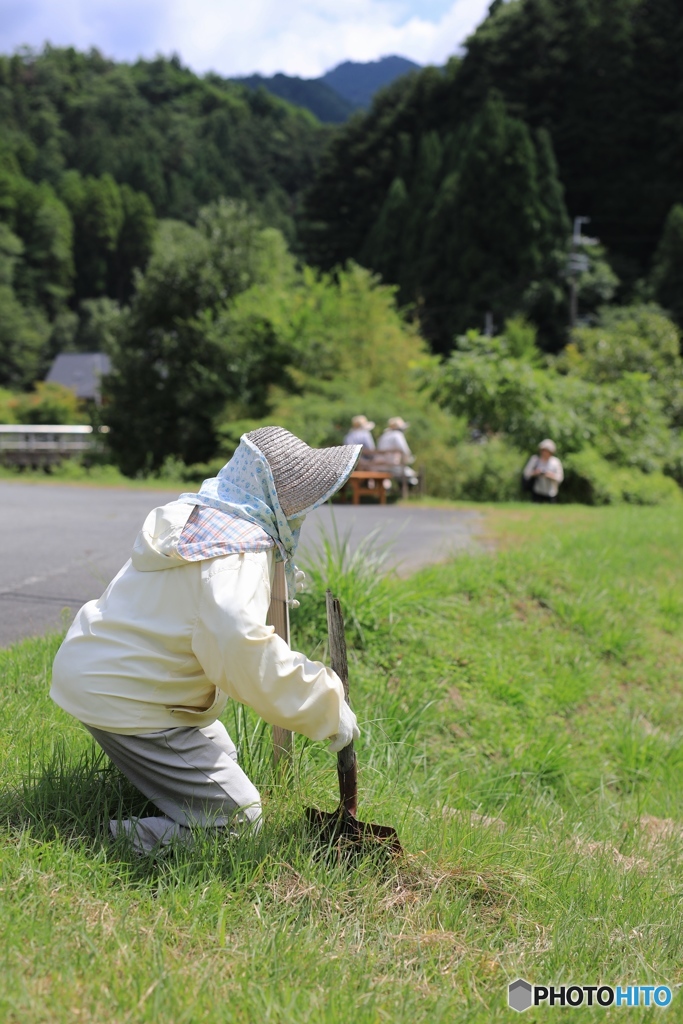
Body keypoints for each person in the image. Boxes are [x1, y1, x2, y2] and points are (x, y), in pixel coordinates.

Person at [50, 427, 362, 855]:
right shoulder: (236, 551)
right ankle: (106, 840)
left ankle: (174, 805)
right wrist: (326, 704)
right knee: (240, 820)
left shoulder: (198, 519)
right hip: (130, 696)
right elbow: (239, 645)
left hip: (104, 670)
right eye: (302, 503)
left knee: (223, 755)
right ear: (281, 501)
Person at [377, 416, 418, 487]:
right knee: (412, 475)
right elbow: (405, 451)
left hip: (380, 465)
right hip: (392, 466)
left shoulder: (384, 435)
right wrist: (408, 459)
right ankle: (405, 491)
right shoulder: (398, 435)